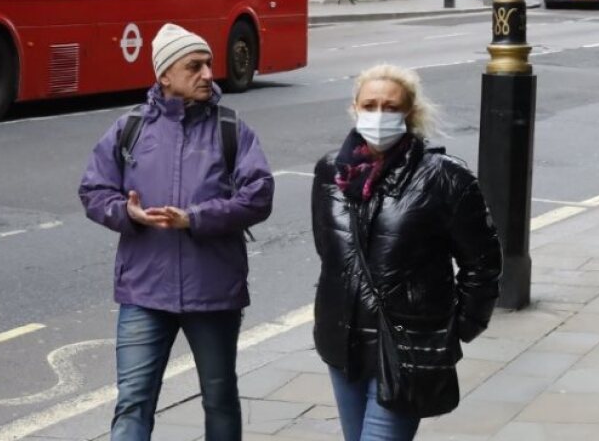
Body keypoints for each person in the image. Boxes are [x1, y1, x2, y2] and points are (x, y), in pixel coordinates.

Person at [79, 23, 274, 441]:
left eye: (208, 65)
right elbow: (93, 189)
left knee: (219, 398)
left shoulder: (230, 127)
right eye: (194, 66)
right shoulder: (130, 127)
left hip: (213, 291)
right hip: (144, 291)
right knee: (133, 401)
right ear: (165, 75)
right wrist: (126, 213)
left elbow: (259, 195)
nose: (207, 74)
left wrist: (196, 218)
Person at [311, 64, 502, 441]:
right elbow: (330, 252)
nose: (378, 115)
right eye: (370, 105)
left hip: (405, 349)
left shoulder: (445, 178)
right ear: (355, 108)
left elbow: (482, 265)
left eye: (390, 107)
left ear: (410, 114)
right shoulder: (330, 172)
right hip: (343, 344)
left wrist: (456, 330)